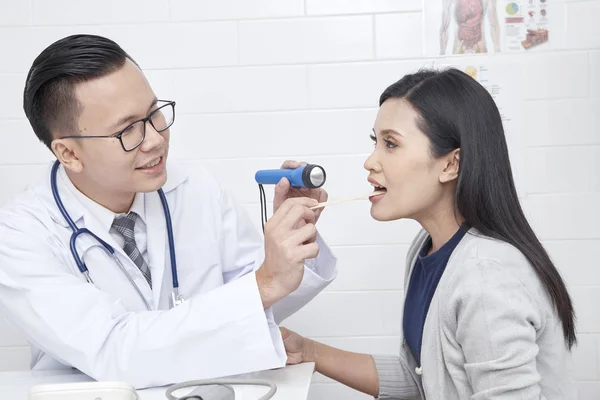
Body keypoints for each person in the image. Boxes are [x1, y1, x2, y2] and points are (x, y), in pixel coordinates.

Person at [0, 34, 337, 389]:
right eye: (128, 130)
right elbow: (114, 352)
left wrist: (293, 242)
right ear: (68, 153)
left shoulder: (195, 188)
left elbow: (261, 305)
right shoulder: (22, 235)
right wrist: (265, 283)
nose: (156, 139)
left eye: (154, 114)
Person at [280, 68, 578, 399]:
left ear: (451, 165)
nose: (370, 161)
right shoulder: (429, 248)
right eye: (375, 142)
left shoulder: (485, 279)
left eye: (390, 144)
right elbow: (423, 378)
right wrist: (306, 351)